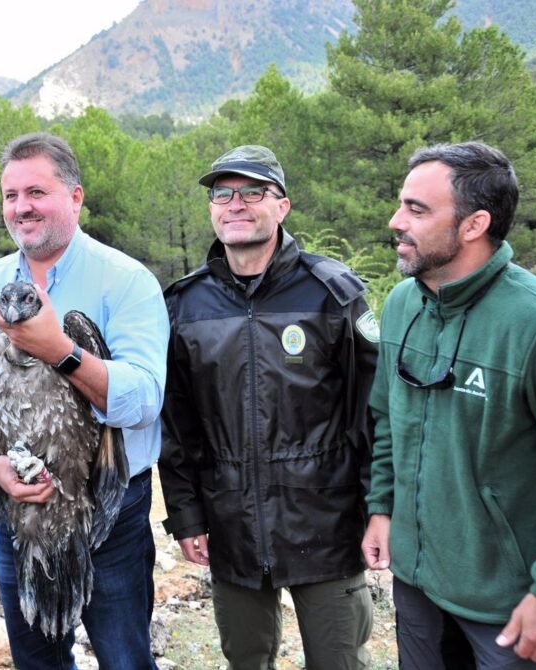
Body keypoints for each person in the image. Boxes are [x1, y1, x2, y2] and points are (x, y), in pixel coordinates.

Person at [0, 132, 169, 669]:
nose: (21, 207)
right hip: (18, 504)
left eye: (36, 192)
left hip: (108, 501)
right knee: (37, 660)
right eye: (10, 195)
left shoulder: (125, 280)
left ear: (76, 196)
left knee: (124, 658)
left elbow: (143, 399)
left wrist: (59, 350)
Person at [160, 145, 378, 669]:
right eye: (222, 193)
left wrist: (379, 508)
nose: (235, 203)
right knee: (246, 661)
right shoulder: (185, 305)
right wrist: (187, 515)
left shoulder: (334, 293)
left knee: (341, 661)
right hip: (230, 524)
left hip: (326, 524)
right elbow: (177, 426)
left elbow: (372, 413)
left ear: (282, 205)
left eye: (252, 192)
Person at [362, 141, 536, 668]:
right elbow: (386, 418)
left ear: (474, 225)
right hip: (418, 578)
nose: (396, 221)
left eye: (417, 210)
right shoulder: (402, 304)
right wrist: (382, 508)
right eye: (402, 204)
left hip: (507, 601)